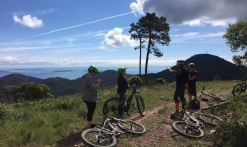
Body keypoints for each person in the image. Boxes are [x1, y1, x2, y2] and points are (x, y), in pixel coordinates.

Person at [82, 65, 101, 129]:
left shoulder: (86, 77)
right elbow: (93, 88)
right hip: (90, 98)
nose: (95, 74)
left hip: (86, 97)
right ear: (92, 71)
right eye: (95, 73)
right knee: (91, 111)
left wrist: (94, 83)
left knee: (89, 111)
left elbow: (89, 86)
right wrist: (97, 84)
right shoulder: (89, 77)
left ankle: (89, 124)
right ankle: (88, 126)